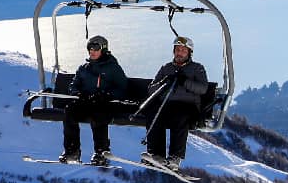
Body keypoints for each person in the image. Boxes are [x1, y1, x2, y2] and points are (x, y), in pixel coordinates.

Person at [142, 35, 210, 172]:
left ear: (189, 53)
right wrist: (163, 82)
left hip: (187, 105)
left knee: (179, 117)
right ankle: (155, 154)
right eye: (177, 50)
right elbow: (151, 88)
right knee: (154, 114)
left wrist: (185, 82)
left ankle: (175, 157)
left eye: (183, 51)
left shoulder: (197, 68)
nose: (180, 53)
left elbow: (203, 88)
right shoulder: (166, 68)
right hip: (167, 104)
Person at [60, 35, 128, 164]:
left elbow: (122, 88)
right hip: (87, 102)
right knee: (70, 111)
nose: (92, 51)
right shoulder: (84, 68)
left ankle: (101, 152)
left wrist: (107, 95)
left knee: (98, 115)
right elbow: (73, 85)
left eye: (95, 48)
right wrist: (79, 93)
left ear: (103, 50)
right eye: (90, 48)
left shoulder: (112, 68)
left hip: (105, 104)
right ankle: (72, 150)